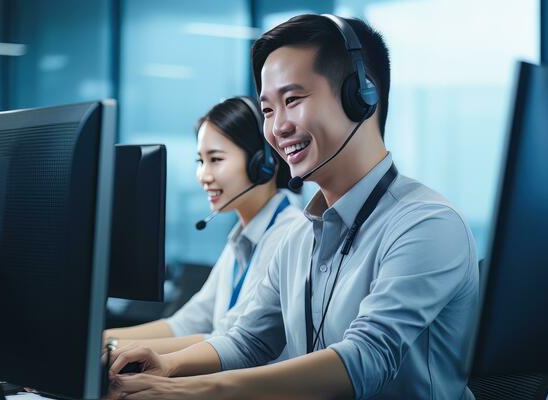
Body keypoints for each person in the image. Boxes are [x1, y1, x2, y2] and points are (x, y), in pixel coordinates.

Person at [108, 14, 479, 399]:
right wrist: (167, 365)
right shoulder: (300, 237)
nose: (277, 128)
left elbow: (366, 359)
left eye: (292, 100)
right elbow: (247, 340)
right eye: (268, 110)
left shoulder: (427, 224)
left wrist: (186, 392)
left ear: (361, 96)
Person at [105, 96, 303, 356]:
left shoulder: (287, 235)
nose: (203, 176)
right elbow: (188, 323)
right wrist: (102, 338)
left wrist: (112, 347)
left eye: (216, 159)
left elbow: (232, 342)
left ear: (263, 163)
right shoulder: (241, 239)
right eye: (200, 161)